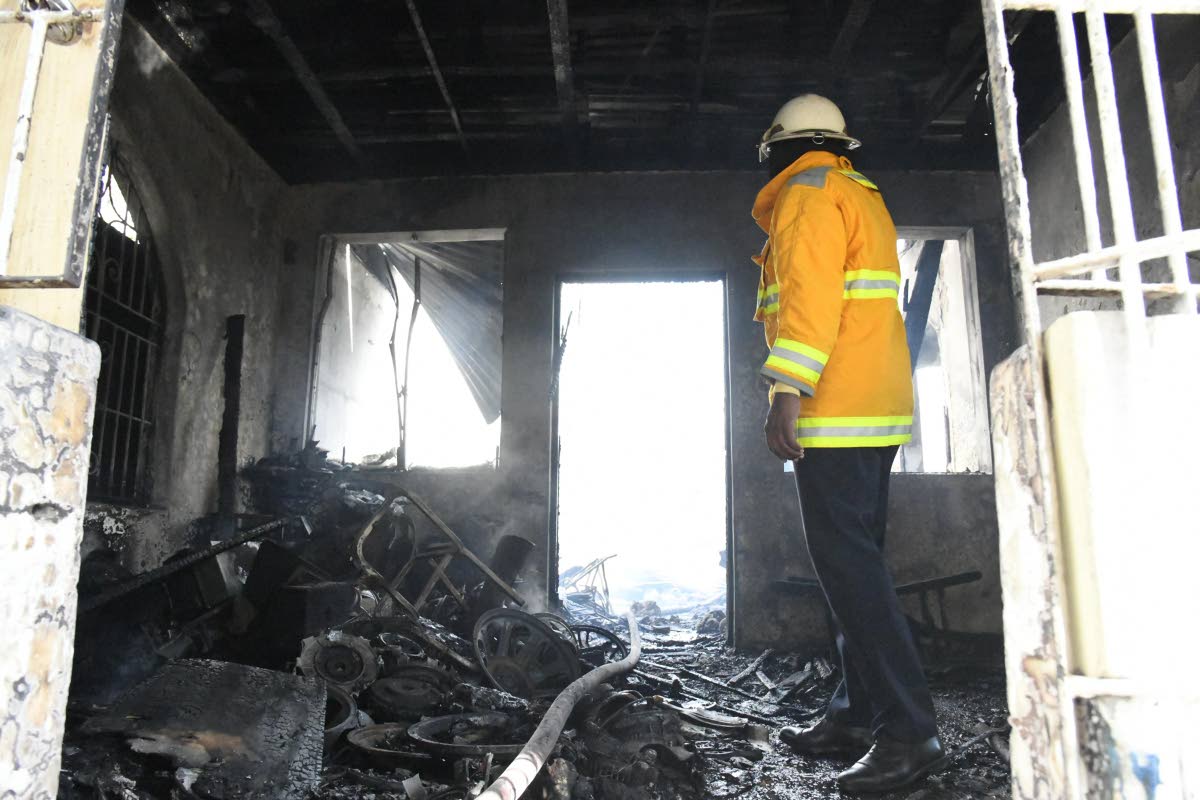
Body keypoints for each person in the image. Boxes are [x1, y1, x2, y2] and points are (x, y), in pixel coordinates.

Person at [750, 94, 944, 794]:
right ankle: (858, 712)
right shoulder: (862, 195)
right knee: (852, 568)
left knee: (852, 576)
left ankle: (909, 734)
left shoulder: (806, 194)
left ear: (779, 146)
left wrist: (785, 392)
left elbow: (808, 298)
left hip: (834, 408)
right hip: (877, 407)